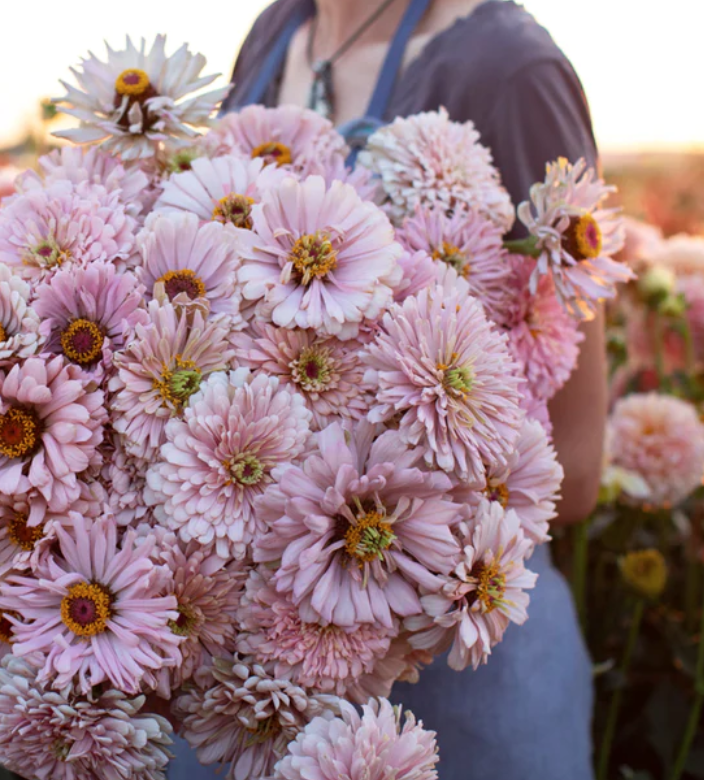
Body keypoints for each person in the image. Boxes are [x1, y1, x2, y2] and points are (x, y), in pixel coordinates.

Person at [168, 1, 602, 778]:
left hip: (454, 672)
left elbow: (576, 466)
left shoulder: (509, 70)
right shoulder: (274, 36)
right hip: (245, 689)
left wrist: (362, 523)